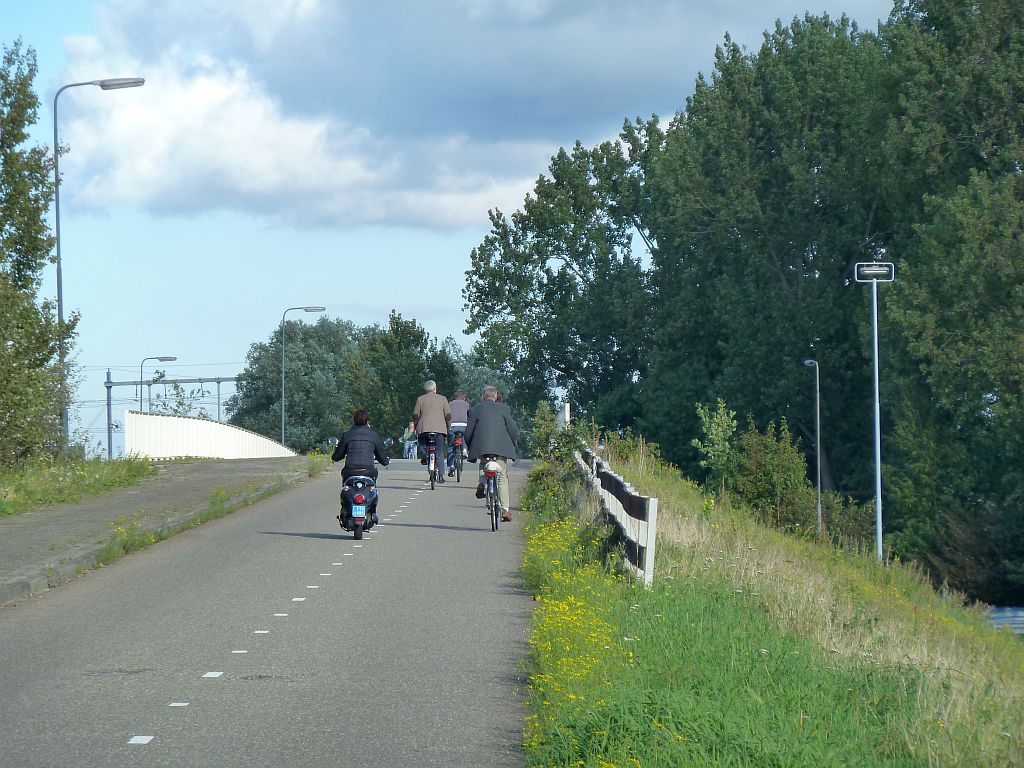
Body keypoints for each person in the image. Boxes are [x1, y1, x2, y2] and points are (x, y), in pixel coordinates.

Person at [465, 385, 519, 521]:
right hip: (501, 448)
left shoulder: (474, 410)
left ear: (483, 396)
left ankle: (482, 483)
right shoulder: (504, 409)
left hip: (482, 447)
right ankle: (505, 510)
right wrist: (513, 443)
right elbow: (513, 430)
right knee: (501, 477)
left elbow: (468, 432)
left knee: (483, 463)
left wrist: (471, 445)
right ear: (495, 397)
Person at [331, 409, 390, 481]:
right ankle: (372, 490)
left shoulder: (347, 435)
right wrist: (385, 461)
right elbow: (381, 456)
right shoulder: (374, 435)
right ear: (367, 421)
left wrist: (334, 457)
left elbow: (338, 456)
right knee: (373, 483)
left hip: (350, 470)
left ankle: (346, 490)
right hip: (368, 470)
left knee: (346, 485)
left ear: (354, 421)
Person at [412, 379, 451, 482]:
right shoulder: (443, 399)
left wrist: (416, 425)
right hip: (439, 429)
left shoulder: (420, 399)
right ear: (435, 388)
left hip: (424, 428)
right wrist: (448, 426)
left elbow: (415, 415)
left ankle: (424, 453)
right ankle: (441, 475)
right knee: (439, 451)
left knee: (424, 445)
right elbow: (448, 415)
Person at [447, 389, 470, 476]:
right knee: (465, 436)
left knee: (450, 446)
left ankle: (451, 465)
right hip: (464, 425)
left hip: (452, 426)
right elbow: (469, 415)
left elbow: (448, 415)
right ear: (464, 397)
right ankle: (464, 450)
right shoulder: (467, 404)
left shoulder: (450, 404)